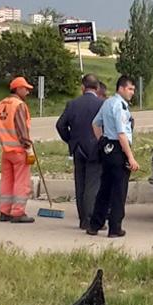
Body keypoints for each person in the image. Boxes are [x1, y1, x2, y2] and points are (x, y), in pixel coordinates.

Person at [86, 75, 139, 238]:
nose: (132, 93)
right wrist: (130, 157)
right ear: (121, 88)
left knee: (105, 188)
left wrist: (102, 140)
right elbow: (121, 134)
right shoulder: (120, 107)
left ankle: (95, 224)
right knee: (118, 190)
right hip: (118, 149)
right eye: (130, 89)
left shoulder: (107, 102)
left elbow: (95, 123)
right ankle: (115, 228)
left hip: (108, 148)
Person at [55, 74, 105, 230]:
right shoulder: (102, 104)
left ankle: (83, 219)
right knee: (93, 184)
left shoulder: (73, 104)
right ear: (97, 88)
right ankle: (91, 219)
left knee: (80, 184)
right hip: (95, 148)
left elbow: (60, 125)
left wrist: (70, 140)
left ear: (83, 88)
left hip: (77, 148)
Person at [0, 76, 36, 223]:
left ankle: (4, 211)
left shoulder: (1, 104)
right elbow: (21, 128)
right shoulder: (18, 105)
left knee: (7, 181)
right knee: (21, 182)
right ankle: (18, 212)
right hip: (18, 150)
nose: (27, 92)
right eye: (26, 89)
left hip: (6, 150)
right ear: (18, 88)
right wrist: (28, 146)